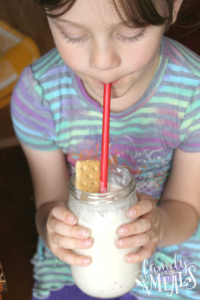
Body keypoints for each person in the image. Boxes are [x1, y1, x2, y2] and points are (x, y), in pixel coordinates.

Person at [11, 0, 200, 299]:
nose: (102, 61)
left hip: (169, 245)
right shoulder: (40, 96)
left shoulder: (193, 92)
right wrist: (56, 233)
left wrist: (157, 228)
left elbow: (187, 209)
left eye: (130, 33)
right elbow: (49, 206)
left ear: (174, 6)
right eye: (73, 34)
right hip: (77, 254)